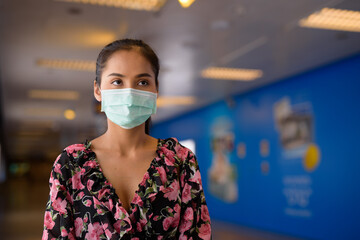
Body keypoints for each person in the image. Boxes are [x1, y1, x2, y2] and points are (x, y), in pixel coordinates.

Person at [42, 39, 211, 240]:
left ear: (155, 90)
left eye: (142, 82)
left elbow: (197, 234)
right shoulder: (71, 164)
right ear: (98, 90)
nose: (130, 93)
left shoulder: (180, 161)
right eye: (117, 81)